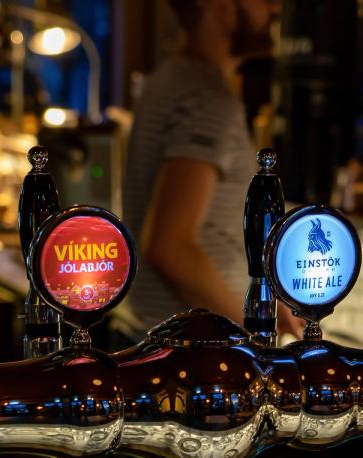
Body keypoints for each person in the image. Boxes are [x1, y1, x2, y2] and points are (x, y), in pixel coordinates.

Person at [123, 0, 302, 338]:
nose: (275, 7)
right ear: (221, 6)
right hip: (198, 355)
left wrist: (262, 304)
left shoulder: (169, 78)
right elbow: (170, 248)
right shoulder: (208, 99)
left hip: (164, 339)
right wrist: (252, 339)